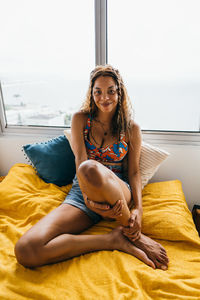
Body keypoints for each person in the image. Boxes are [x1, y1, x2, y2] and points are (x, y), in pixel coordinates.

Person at [15, 65, 169, 270]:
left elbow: (133, 172)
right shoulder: (80, 119)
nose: (104, 97)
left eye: (111, 91)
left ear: (119, 92)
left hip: (118, 193)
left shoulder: (131, 128)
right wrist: (88, 199)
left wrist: (138, 210)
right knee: (25, 250)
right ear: (92, 93)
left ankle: (134, 235)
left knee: (91, 169)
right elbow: (80, 162)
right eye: (98, 91)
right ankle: (112, 240)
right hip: (83, 195)